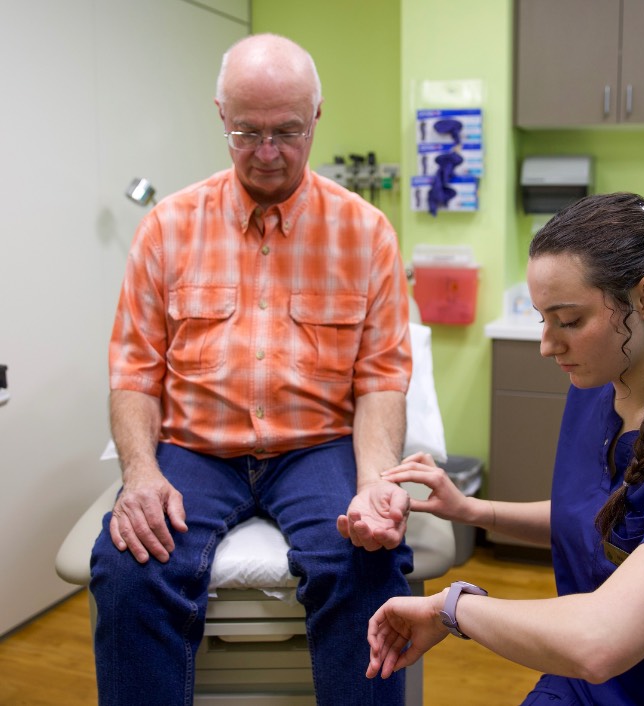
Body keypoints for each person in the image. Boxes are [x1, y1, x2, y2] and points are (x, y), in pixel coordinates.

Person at [367, 192, 644, 705]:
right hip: (585, 683)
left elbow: (600, 640)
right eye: (542, 319)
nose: (547, 344)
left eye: (569, 320)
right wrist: (473, 510)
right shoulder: (599, 384)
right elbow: (604, 515)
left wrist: (452, 607)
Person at [90, 33, 414, 706]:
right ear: (220, 116)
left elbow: (380, 378)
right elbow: (134, 371)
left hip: (314, 447)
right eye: (247, 132)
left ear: (317, 116)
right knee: (130, 568)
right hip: (195, 449)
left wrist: (375, 482)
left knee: (364, 560)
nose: (267, 153)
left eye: (287, 132)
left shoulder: (366, 233)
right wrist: (140, 475)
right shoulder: (168, 227)